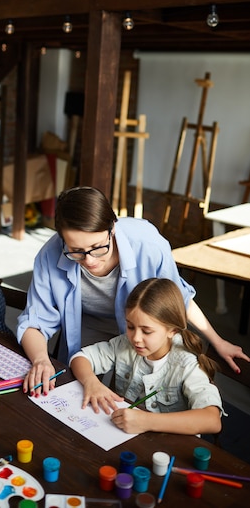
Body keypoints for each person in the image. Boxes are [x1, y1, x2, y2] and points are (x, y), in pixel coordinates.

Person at [18, 186, 249, 395]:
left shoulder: (148, 244)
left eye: (98, 248)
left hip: (141, 327)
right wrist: (40, 359)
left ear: (113, 229)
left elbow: (177, 296)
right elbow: (35, 320)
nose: (89, 261)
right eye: (76, 251)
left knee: (142, 394)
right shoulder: (49, 255)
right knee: (76, 390)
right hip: (87, 322)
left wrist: (217, 341)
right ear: (62, 239)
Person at [70, 278, 224, 436]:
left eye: (146, 331)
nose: (135, 338)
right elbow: (80, 358)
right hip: (124, 435)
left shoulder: (187, 365)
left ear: (172, 331)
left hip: (168, 445)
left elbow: (212, 420)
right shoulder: (125, 344)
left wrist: (145, 421)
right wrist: (91, 382)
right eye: (130, 326)